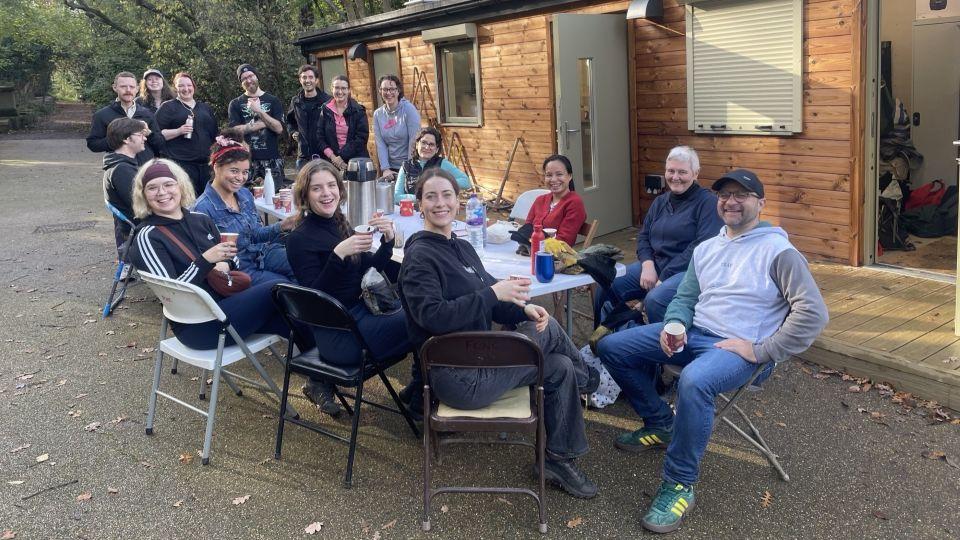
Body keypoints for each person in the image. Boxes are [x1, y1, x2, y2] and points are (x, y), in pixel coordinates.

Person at [598, 169, 828, 534]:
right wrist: (674, 325)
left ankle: (679, 484)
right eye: (724, 195)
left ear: (761, 203)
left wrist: (761, 349)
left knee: (695, 381)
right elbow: (686, 297)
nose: (731, 201)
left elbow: (813, 313)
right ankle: (661, 423)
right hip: (694, 334)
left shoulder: (779, 251)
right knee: (610, 346)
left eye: (742, 195)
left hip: (739, 349)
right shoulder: (708, 248)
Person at [399, 168, 599, 499]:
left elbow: (493, 298)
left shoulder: (462, 248)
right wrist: (493, 294)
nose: (440, 203)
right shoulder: (420, 257)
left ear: (457, 201)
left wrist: (523, 309)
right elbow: (432, 317)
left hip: (482, 359)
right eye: (430, 196)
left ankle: (557, 460)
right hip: (457, 377)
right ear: (419, 204)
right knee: (548, 336)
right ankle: (590, 378)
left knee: (558, 364)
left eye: (447, 195)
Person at [285, 159, 410, 417]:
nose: (327, 193)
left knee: (424, 309)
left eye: (331, 185)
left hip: (359, 316)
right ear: (305, 194)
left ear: (340, 190)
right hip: (339, 336)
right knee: (423, 317)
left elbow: (368, 269)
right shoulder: (299, 239)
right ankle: (422, 391)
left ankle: (421, 388)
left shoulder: (340, 223)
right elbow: (313, 303)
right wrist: (337, 256)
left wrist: (387, 243)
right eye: (317, 188)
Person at [127, 159, 291, 350]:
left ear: (180, 186)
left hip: (228, 305)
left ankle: (320, 373)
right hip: (198, 326)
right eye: (152, 188)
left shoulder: (201, 220)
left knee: (292, 318)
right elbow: (172, 293)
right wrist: (205, 261)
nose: (162, 192)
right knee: (278, 288)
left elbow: (233, 256)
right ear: (144, 195)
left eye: (168, 184)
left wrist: (227, 264)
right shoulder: (148, 236)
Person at [593, 146, 723, 327]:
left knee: (656, 299)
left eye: (682, 172)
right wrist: (647, 265)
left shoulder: (708, 203)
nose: (675, 177)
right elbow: (644, 235)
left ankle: (660, 345)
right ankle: (605, 336)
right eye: (671, 171)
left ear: (696, 173)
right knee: (607, 285)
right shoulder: (661, 201)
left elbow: (700, 247)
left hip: (687, 271)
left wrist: (665, 276)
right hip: (654, 265)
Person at [193, 133, 296, 286]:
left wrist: (282, 225)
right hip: (241, 267)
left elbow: (254, 235)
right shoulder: (202, 209)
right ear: (216, 167)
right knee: (284, 286)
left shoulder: (244, 194)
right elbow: (210, 258)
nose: (241, 178)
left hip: (263, 253)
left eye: (245, 172)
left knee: (304, 265)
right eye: (234, 171)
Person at [155, 72, 219, 196]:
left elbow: (214, 135)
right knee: (188, 200)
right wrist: (179, 131)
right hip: (182, 164)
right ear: (176, 88)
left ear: (194, 87)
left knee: (208, 200)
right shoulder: (168, 107)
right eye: (181, 86)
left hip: (207, 165)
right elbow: (157, 135)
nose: (186, 89)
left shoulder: (205, 108)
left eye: (189, 85)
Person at [87, 71, 164, 165]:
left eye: (132, 87)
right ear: (115, 88)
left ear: (137, 89)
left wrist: (149, 133)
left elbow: (160, 144)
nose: (128, 90)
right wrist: (118, 139)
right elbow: (93, 144)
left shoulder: (147, 114)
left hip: (145, 167)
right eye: (123, 86)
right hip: (119, 167)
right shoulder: (102, 115)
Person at [228, 63, 286, 186]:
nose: (248, 80)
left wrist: (258, 111)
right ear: (241, 82)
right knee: (247, 199)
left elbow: (279, 128)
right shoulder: (235, 104)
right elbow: (235, 132)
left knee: (275, 199)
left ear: (256, 76)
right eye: (244, 78)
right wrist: (264, 123)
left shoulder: (273, 101)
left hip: (272, 160)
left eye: (251, 76)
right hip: (246, 161)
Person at [102, 117, 149, 255]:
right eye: (140, 135)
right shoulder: (121, 170)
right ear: (127, 139)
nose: (145, 138)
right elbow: (141, 207)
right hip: (140, 229)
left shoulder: (123, 165)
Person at [524, 154, 586, 246]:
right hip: (531, 251)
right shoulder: (540, 200)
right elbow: (526, 228)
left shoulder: (574, 203)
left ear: (569, 176)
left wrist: (533, 241)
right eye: (549, 175)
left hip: (555, 257)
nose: (553, 179)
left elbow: (564, 241)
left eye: (559, 174)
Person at [394, 127, 469, 199]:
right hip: (411, 210)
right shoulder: (406, 166)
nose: (427, 147)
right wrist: (419, 198)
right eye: (424, 143)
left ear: (437, 149)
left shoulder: (442, 163)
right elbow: (396, 196)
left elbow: (466, 182)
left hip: (435, 208)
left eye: (431, 144)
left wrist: (442, 182)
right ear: (417, 144)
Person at [372, 75, 420, 180]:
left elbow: (414, 140)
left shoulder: (409, 110)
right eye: (385, 89)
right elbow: (380, 144)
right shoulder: (378, 115)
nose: (388, 93)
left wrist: (409, 168)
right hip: (390, 168)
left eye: (392, 89)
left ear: (398, 91)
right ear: (380, 91)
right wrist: (385, 168)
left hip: (410, 165)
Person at [317, 75, 369, 171]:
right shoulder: (325, 110)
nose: (340, 92)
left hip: (356, 162)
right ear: (332, 89)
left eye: (343, 88)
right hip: (331, 163)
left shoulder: (358, 110)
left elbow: (361, 138)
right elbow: (320, 137)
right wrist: (333, 158)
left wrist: (341, 157)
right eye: (336, 88)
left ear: (349, 90)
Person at [286, 65, 330, 171]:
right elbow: (289, 121)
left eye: (310, 77)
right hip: (303, 157)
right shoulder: (296, 101)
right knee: (303, 187)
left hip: (324, 156)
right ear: (300, 80)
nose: (307, 80)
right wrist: (293, 132)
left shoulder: (327, 101)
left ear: (317, 80)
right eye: (304, 77)